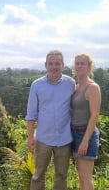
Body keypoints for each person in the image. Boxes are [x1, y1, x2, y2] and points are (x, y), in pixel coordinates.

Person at [25, 50, 76, 190]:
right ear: (46, 65)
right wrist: (30, 138)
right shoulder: (37, 85)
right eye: (51, 63)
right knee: (38, 175)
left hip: (64, 139)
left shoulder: (70, 83)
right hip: (43, 139)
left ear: (63, 65)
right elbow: (31, 114)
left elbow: (76, 108)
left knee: (62, 175)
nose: (54, 66)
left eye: (57, 63)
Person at [71, 54, 101, 190]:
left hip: (85, 134)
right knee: (81, 176)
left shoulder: (93, 87)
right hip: (74, 132)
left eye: (83, 63)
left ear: (89, 67)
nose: (79, 66)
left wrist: (85, 140)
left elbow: (94, 115)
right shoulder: (75, 87)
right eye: (77, 63)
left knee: (86, 178)